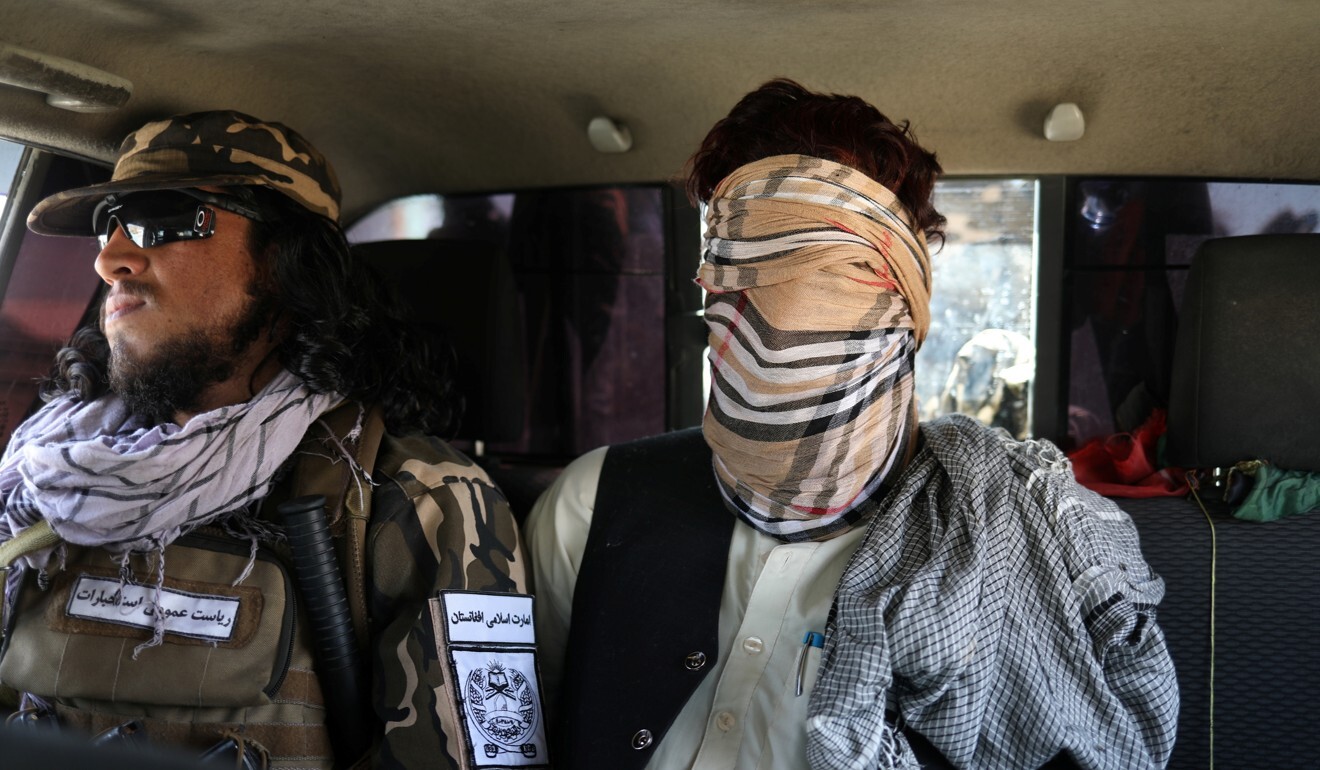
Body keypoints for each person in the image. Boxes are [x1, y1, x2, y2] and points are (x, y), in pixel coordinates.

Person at [526, 80, 1178, 770]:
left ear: (901, 301)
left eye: (804, 272)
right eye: (728, 267)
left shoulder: (999, 545)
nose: (747, 306)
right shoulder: (593, 505)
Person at [0, 111, 545, 769]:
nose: (110, 257)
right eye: (109, 224)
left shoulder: (422, 501)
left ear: (290, 266)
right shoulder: (39, 477)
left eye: (164, 219)